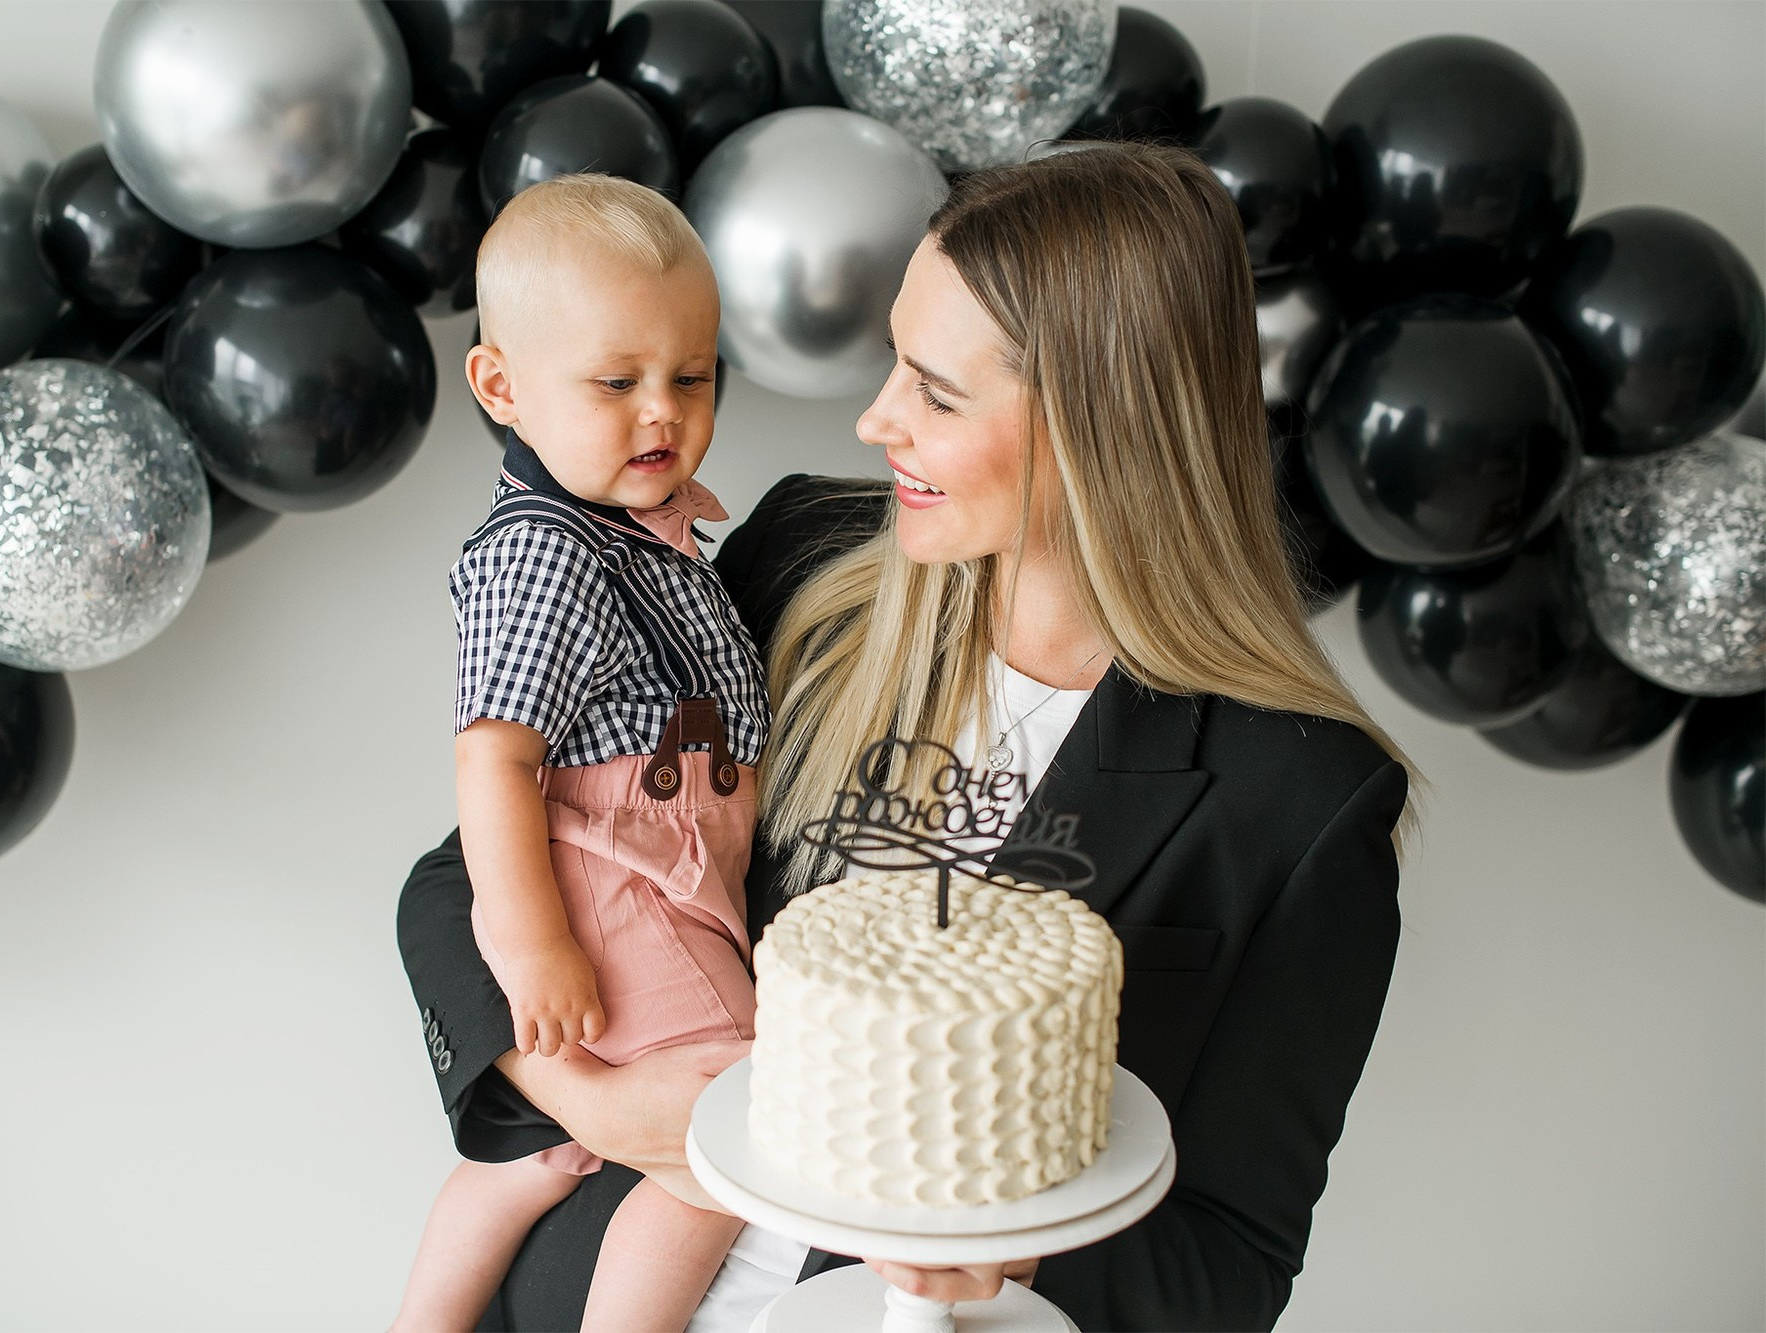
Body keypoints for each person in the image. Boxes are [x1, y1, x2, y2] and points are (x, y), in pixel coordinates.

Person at [398, 141, 1417, 1330]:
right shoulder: (793, 560)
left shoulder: (1302, 797)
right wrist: (582, 1094)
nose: (874, 418)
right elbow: (472, 872)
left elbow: (1228, 1263)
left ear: (1101, 423)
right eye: (894, 361)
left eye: (935, 392)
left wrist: (1003, 1254)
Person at [389, 175, 770, 1333]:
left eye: (691, 377)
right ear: (501, 387)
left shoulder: (638, 526)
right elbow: (495, 762)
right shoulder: (545, 551)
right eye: (616, 383)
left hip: (661, 874)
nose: (662, 413)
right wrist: (532, 943)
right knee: (728, 1134)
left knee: (549, 1152)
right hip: (622, 887)